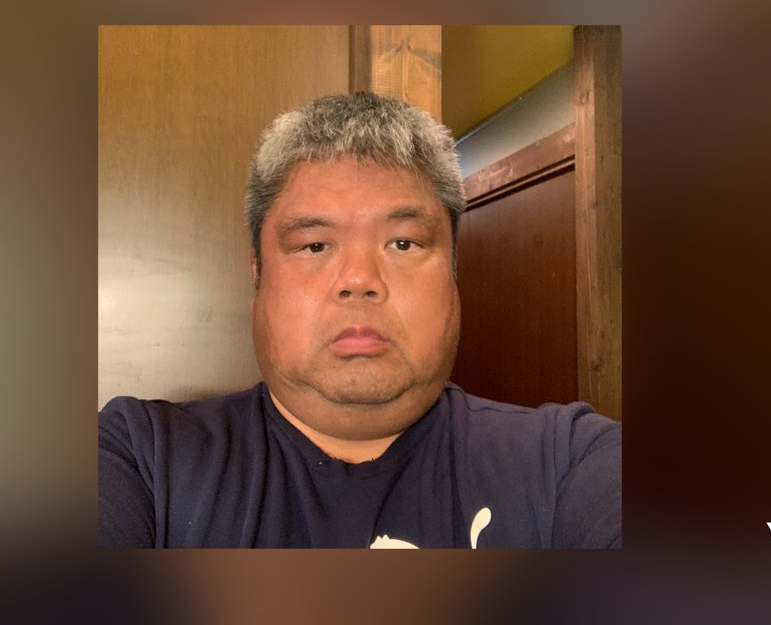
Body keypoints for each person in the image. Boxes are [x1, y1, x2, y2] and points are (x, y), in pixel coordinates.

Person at [99, 92, 622, 548]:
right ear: (257, 273)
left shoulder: (569, 461)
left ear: (454, 271)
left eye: (403, 243)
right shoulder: (142, 457)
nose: (359, 279)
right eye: (315, 245)